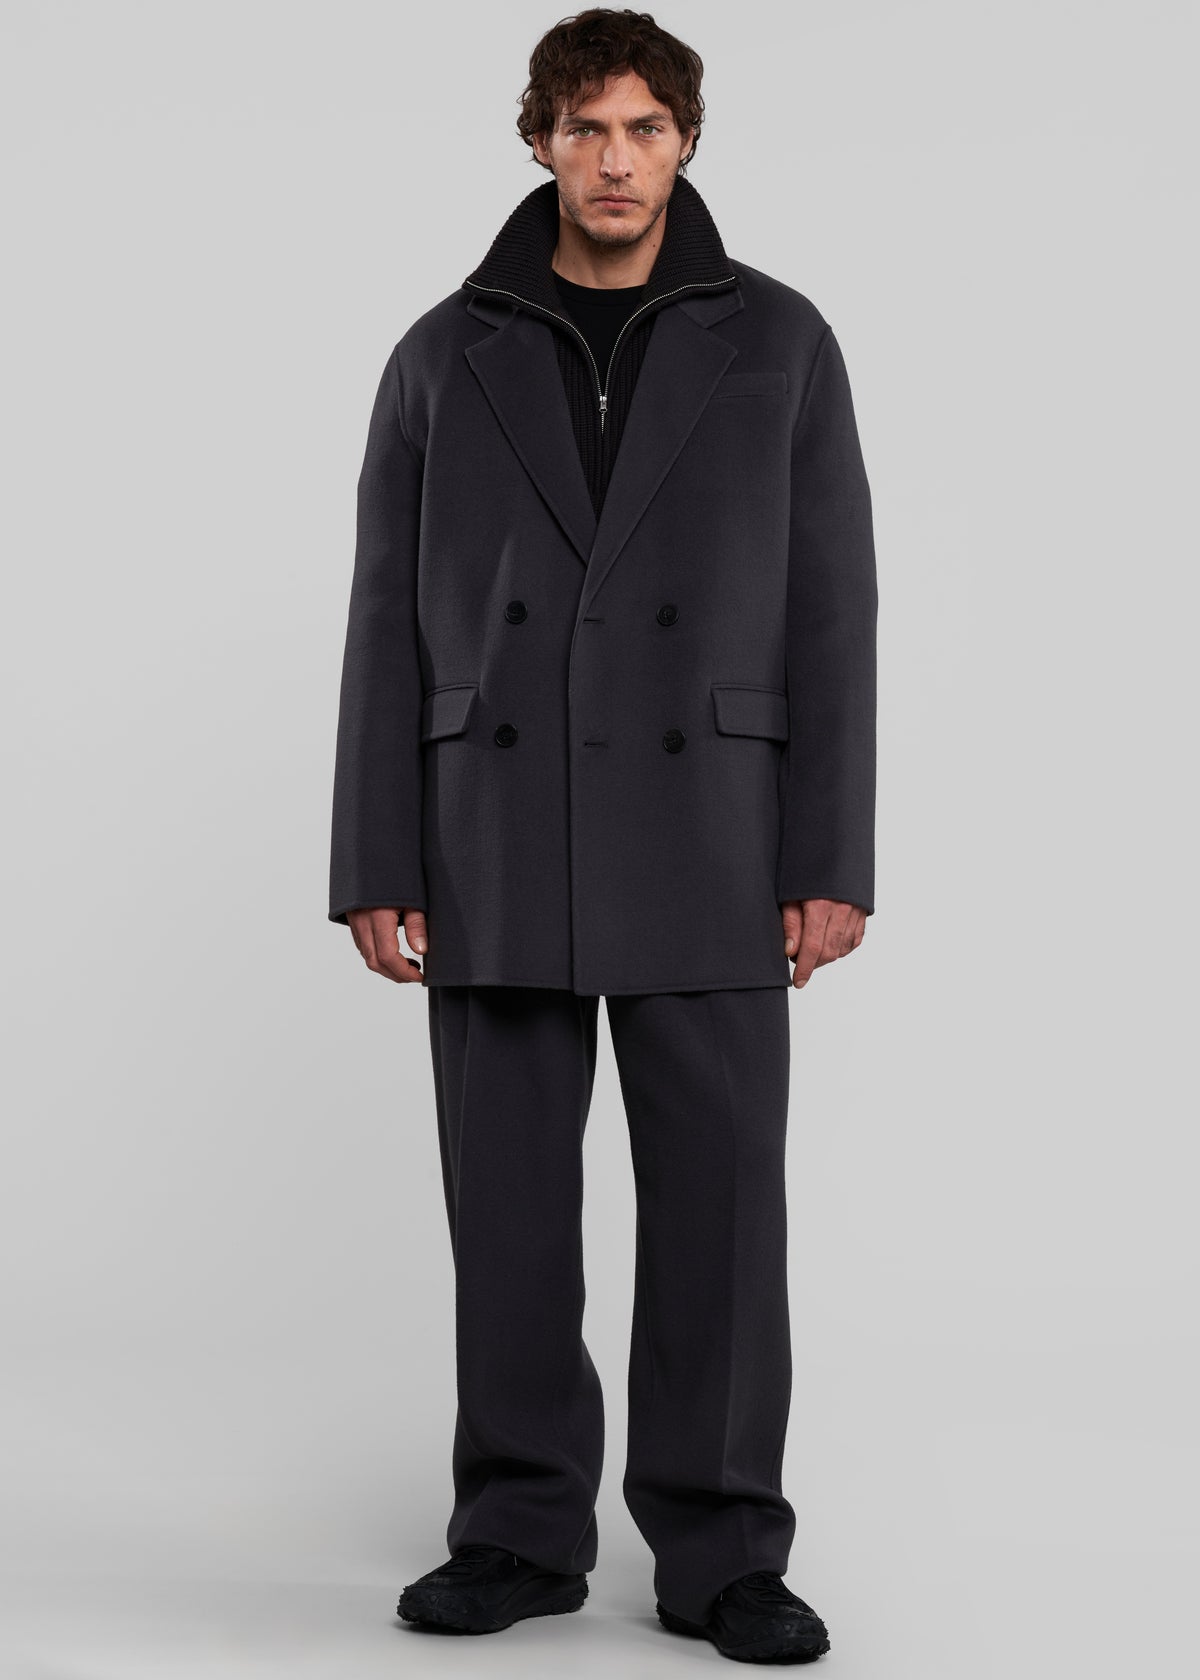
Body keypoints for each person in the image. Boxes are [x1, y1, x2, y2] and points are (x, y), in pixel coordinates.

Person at [327, 7, 876, 1664]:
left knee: (722, 1208)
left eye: (643, 127)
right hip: (495, 824)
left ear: (686, 140)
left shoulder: (781, 340)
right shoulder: (443, 351)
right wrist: (375, 857)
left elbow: (834, 612)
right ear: (539, 142)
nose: (615, 159)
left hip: (716, 827)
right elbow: (382, 622)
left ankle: (724, 1550)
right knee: (507, 1207)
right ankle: (517, 1528)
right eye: (584, 128)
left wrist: (829, 854)